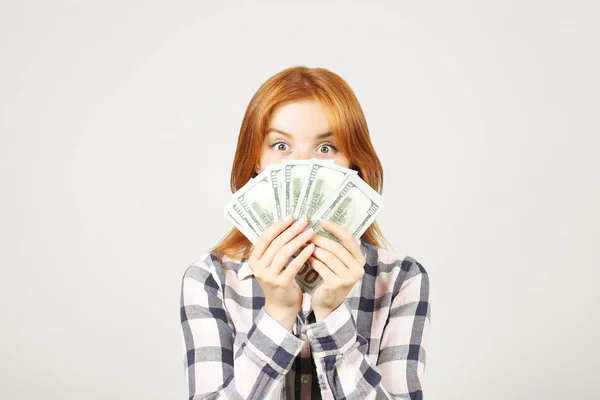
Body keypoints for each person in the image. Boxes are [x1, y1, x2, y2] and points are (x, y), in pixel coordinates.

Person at [179, 66, 431, 399]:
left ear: (354, 164)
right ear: (256, 161)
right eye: (280, 146)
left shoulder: (400, 280)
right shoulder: (210, 278)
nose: (302, 166)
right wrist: (278, 313)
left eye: (325, 149)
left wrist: (332, 316)